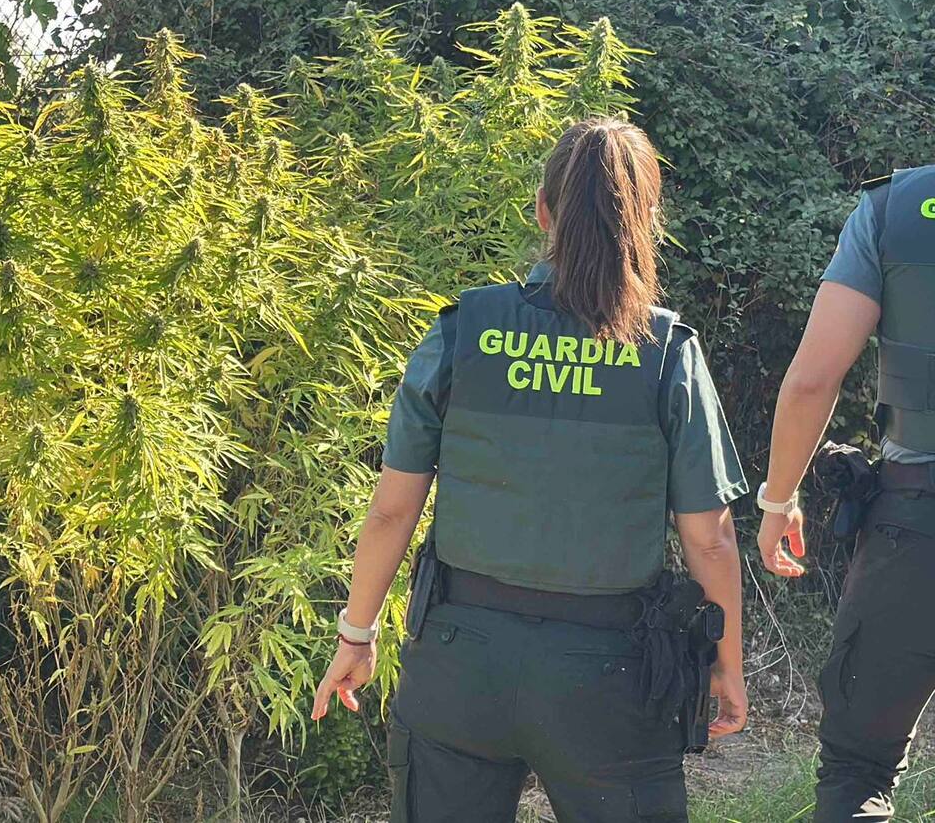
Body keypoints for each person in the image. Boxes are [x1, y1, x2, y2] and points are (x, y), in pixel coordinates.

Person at [310, 117, 749, 823]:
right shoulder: (666, 351)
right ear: (646, 222)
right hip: (610, 682)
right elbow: (711, 539)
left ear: (543, 212)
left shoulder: (462, 329)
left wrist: (356, 635)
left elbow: (392, 510)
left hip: (458, 665)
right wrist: (725, 663)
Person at [757, 164, 935, 822]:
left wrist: (778, 500)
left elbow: (813, 381)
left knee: (857, 775)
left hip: (915, 529)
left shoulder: (894, 209)